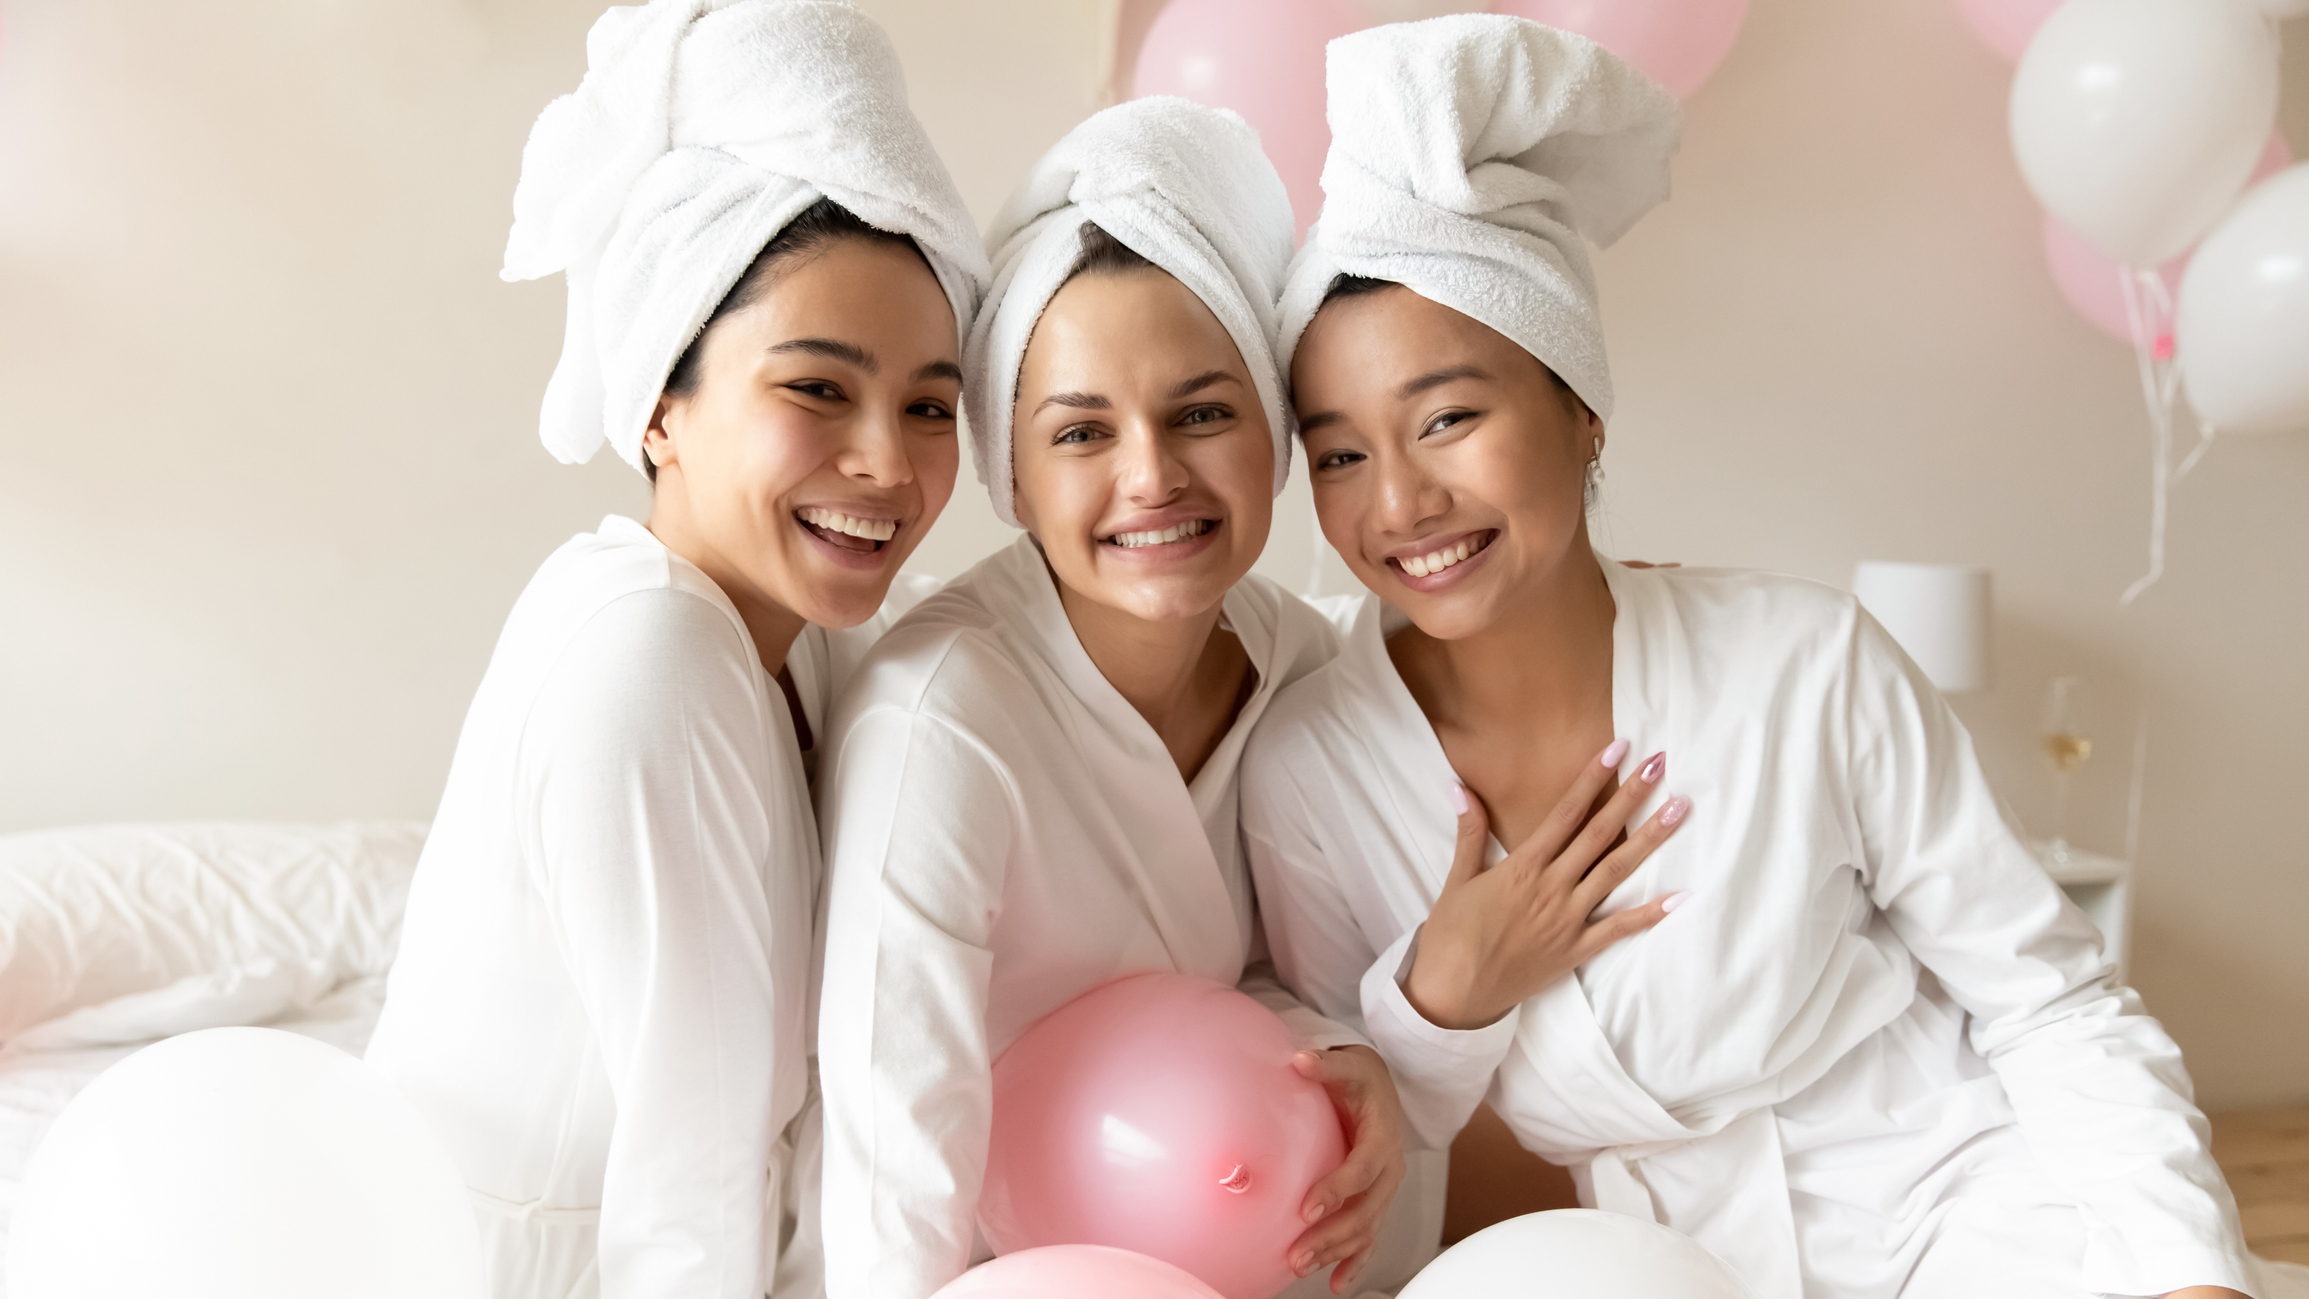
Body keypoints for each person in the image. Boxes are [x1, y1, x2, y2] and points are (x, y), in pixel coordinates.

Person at [1242, 14, 2303, 1299]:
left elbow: (2051, 1001)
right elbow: (1364, 1136)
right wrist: (1437, 998)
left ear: (1580, 412)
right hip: (1646, 1265)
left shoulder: (1805, 662)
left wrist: (2180, 1275)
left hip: (1970, 1207)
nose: (1398, 503)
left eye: (1449, 417)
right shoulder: (1307, 772)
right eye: (1340, 453)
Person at [363, 4, 987, 1297]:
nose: (889, 461)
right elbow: (692, 1176)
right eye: (817, 387)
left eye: (930, 404)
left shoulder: (790, 630)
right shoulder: (647, 655)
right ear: (661, 403)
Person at [812, 98, 1472, 1299]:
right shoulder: (940, 720)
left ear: (1272, 430)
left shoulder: (1304, 665)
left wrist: (1335, 1052)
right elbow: (888, 1122)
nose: (1152, 477)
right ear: (1012, 471)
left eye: (1203, 413)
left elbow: (1271, 973)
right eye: (1079, 433)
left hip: (1246, 1246)